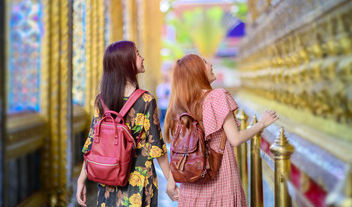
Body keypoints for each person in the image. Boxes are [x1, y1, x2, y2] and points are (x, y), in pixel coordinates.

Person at [164, 54, 278, 207]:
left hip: (191, 186)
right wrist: (261, 124)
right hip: (219, 180)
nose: (210, 64)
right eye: (205, 62)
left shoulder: (182, 104)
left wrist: (171, 182)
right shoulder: (217, 96)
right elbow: (235, 139)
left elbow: (181, 149)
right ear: (197, 71)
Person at [76, 41, 179, 207]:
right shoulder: (146, 100)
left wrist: (82, 179)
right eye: (137, 54)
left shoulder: (102, 99)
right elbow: (156, 148)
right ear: (125, 62)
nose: (142, 57)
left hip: (108, 179)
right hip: (138, 182)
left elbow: (92, 142)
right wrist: (170, 181)